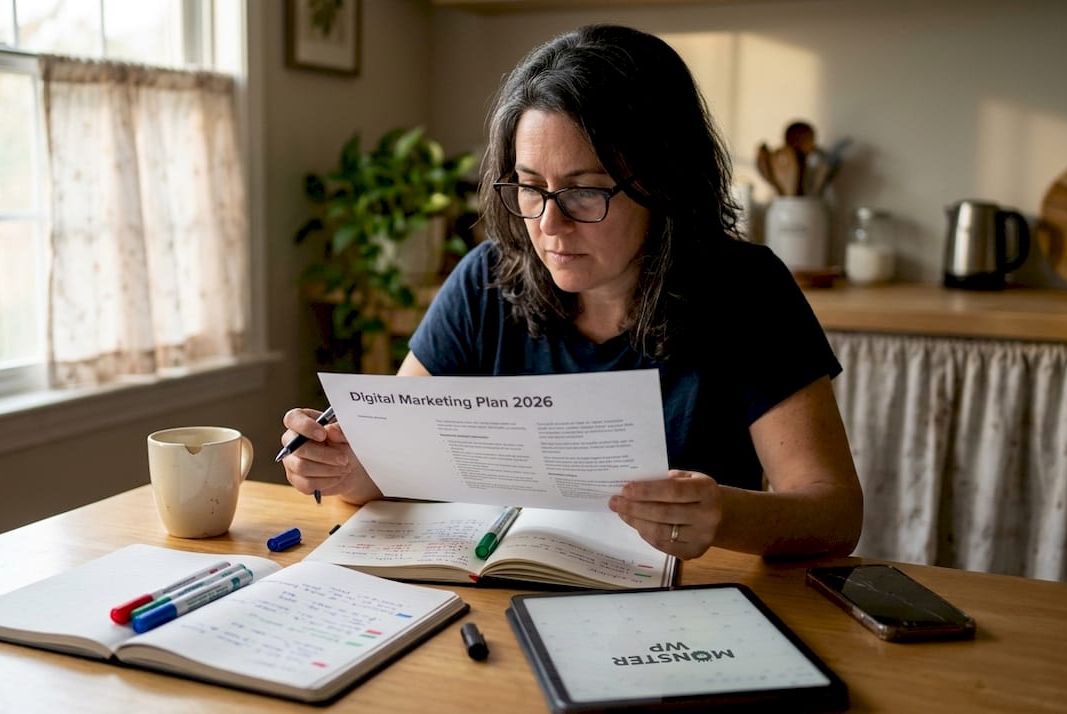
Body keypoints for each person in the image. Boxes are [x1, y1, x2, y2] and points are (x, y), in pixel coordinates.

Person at [281, 24, 863, 561]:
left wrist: (726, 514)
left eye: (585, 192)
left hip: (687, 602)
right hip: (496, 592)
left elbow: (835, 514)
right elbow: (393, 465)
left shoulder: (747, 290)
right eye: (529, 188)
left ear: (664, 184)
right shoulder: (486, 279)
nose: (548, 226)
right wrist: (345, 467)